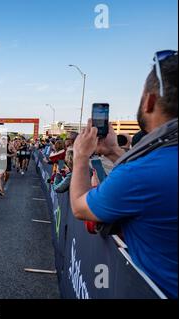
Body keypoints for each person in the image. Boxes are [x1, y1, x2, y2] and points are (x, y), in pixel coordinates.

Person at [70, 50, 178, 299]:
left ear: (149, 102)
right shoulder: (145, 169)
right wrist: (112, 152)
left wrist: (80, 157)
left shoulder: (139, 174)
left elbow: (79, 206)